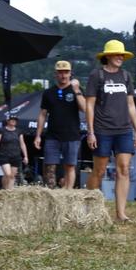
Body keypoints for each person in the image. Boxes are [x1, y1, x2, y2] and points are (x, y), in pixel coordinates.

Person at [85, 40, 136, 222]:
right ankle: (90, 209)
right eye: (117, 54)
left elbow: (131, 104)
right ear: (107, 56)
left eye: (122, 55)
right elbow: (89, 105)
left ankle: (121, 214)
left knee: (124, 169)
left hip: (124, 129)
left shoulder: (126, 76)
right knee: (99, 171)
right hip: (102, 130)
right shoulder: (97, 75)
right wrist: (91, 131)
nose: (120, 57)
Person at [35, 60, 86, 189]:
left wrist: (76, 90)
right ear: (55, 74)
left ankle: (68, 194)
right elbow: (42, 114)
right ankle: (50, 194)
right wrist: (38, 135)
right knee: (49, 166)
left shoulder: (76, 90)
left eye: (66, 72)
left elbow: (84, 108)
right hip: (53, 135)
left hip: (72, 134)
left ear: (70, 74)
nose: (63, 75)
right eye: (60, 72)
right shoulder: (48, 92)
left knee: (70, 166)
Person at [0, 113, 28, 189]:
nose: (14, 121)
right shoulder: (1, 130)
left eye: (15, 120)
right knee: (7, 174)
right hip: (3, 156)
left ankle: (10, 191)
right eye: (12, 120)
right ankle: (4, 189)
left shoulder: (19, 131)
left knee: (12, 176)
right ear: (7, 120)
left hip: (16, 156)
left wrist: (25, 156)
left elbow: (22, 144)